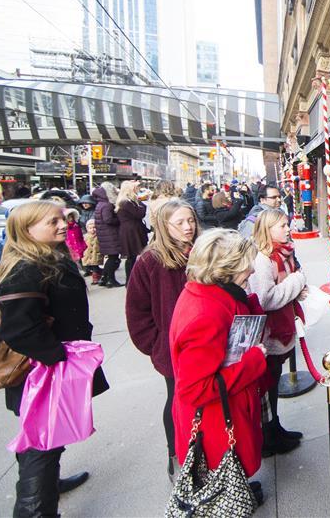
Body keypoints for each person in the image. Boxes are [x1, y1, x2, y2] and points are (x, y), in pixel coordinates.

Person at [0, 200, 109, 517]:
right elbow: (19, 331)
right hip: (41, 374)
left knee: (47, 439)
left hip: (49, 370)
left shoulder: (45, 259)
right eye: (52, 221)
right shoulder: (25, 269)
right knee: (41, 445)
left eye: (61, 218)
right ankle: (35, 509)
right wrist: (58, 357)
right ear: (27, 231)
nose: (62, 224)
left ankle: (48, 486)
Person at [170, 229, 268, 504]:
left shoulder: (208, 294)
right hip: (214, 420)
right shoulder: (206, 315)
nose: (251, 269)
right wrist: (254, 362)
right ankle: (231, 499)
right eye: (246, 263)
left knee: (225, 474)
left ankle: (236, 490)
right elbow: (195, 388)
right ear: (228, 268)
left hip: (221, 412)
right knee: (219, 480)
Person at [125, 199, 199, 482]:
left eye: (190, 220)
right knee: (177, 402)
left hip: (207, 343)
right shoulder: (150, 261)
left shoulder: (202, 251)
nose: (188, 227)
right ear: (163, 227)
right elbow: (137, 312)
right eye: (179, 223)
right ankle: (178, 457)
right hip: (174, 350)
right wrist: (157, 345)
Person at [248, 209, 306, 456]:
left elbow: (291, 283)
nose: (287, 228)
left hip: (280, 330)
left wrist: (297, 287)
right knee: (268, 385)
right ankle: (269, 437)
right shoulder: (263, 259)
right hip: (269, 333)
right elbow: (266, 299)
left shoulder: (284, 252)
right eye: (282, 226)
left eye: (287, 224)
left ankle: (275, 428)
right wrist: (296, 283)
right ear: (268, 229)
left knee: (272, 384)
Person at [116, 180, 148, 282]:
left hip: (131, 230)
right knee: (131, 256)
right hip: (131, 232)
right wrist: (141, 203)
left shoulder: (125, 201)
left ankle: (131, 279)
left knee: (132, 256)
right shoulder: (126, 202)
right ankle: (130, 279)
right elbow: (139, 213)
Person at [93, 182, 123, 288]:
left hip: (104, 234)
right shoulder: (107, 205)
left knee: (111, 257)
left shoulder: (100, 203)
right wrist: (119, 219)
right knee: (113, 258)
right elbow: (108, 219)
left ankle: (104, 278)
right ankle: (111, 279)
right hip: (110, 235)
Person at [82, 219, 103, 283]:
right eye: (90, 228)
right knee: (90, 267)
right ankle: (100, 273)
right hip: (88, 254)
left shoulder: (99, 236)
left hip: (96, 253)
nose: (92, 229)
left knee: (95, 267)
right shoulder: (85, 236)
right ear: (87, 229)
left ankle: (95, 278)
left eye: (94, 227)